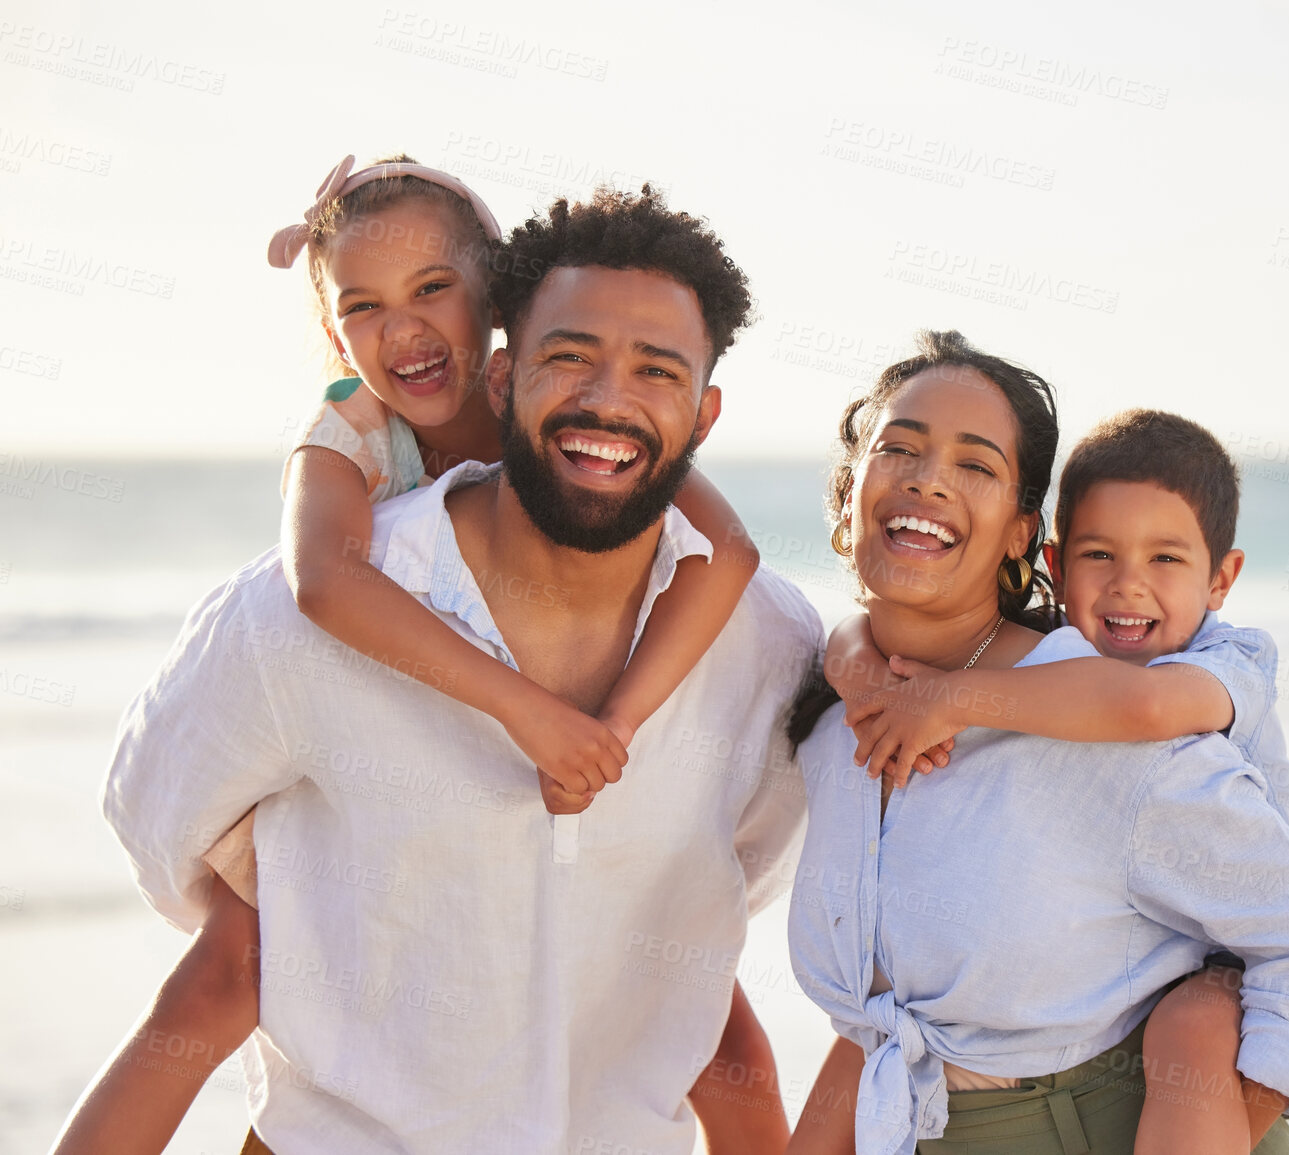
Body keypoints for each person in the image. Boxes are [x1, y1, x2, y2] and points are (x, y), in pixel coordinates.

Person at [93, 183, 820, 1154]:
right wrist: (318, 907)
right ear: (510, 373)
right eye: (363, 305)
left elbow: (728, 857)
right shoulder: (336, 487)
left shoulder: (762, 644)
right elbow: (172, 805)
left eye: (655, 370)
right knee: (237, 955)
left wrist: (617, 734)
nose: (609, 394)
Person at [783, 331, 1289, 1154]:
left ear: (1022, 533)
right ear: (850, 491)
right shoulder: (827, 713)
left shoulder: (1115, 721)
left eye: (976, 465)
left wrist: (1223, 1122)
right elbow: (879, 1027)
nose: (926, 478)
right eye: (899, 449)